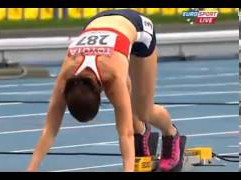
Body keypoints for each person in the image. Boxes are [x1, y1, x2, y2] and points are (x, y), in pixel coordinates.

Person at [27, 9, 183, 172]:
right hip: (101, 22)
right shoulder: (66, 77)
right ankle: (143, 133)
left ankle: (171, 134)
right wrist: (31, 169)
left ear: (101, 91)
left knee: (143, 111)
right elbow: (49, 129)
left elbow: (125, 133)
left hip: (139, 29)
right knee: (128, 109)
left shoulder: (113, 77)